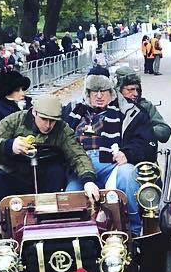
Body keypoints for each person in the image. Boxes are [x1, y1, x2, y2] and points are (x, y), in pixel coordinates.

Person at [62, 73, 155, 235]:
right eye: (94, 92)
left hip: (111, 165)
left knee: (128, 173)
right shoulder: (73, 112)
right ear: (87, 94)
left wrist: (127, 154)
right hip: (80, 167)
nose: (99, 96)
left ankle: (134, 230)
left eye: (103, 91)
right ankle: (79, 239)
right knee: (70, 196)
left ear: (111, 93)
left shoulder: (128, 112)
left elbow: (146, 142)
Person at [0, 94, 99, 206]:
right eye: (44, 119)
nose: (48, 125)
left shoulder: (62, 129)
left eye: (52, 120)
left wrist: (88, 180)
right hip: (15, 173)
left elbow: (77, 155)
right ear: (34, 112)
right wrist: (9, 145)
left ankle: (54, 218)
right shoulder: (14, 121)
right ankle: (6, 222)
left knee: (57, 172)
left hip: (48, 177)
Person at [114, 66, 171, 145]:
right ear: (118, 90)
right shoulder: (112, 107)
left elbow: (164, 130)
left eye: (137, 89)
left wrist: (144, 131)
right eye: (130, 90)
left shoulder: (145, 106)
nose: (135, 94)